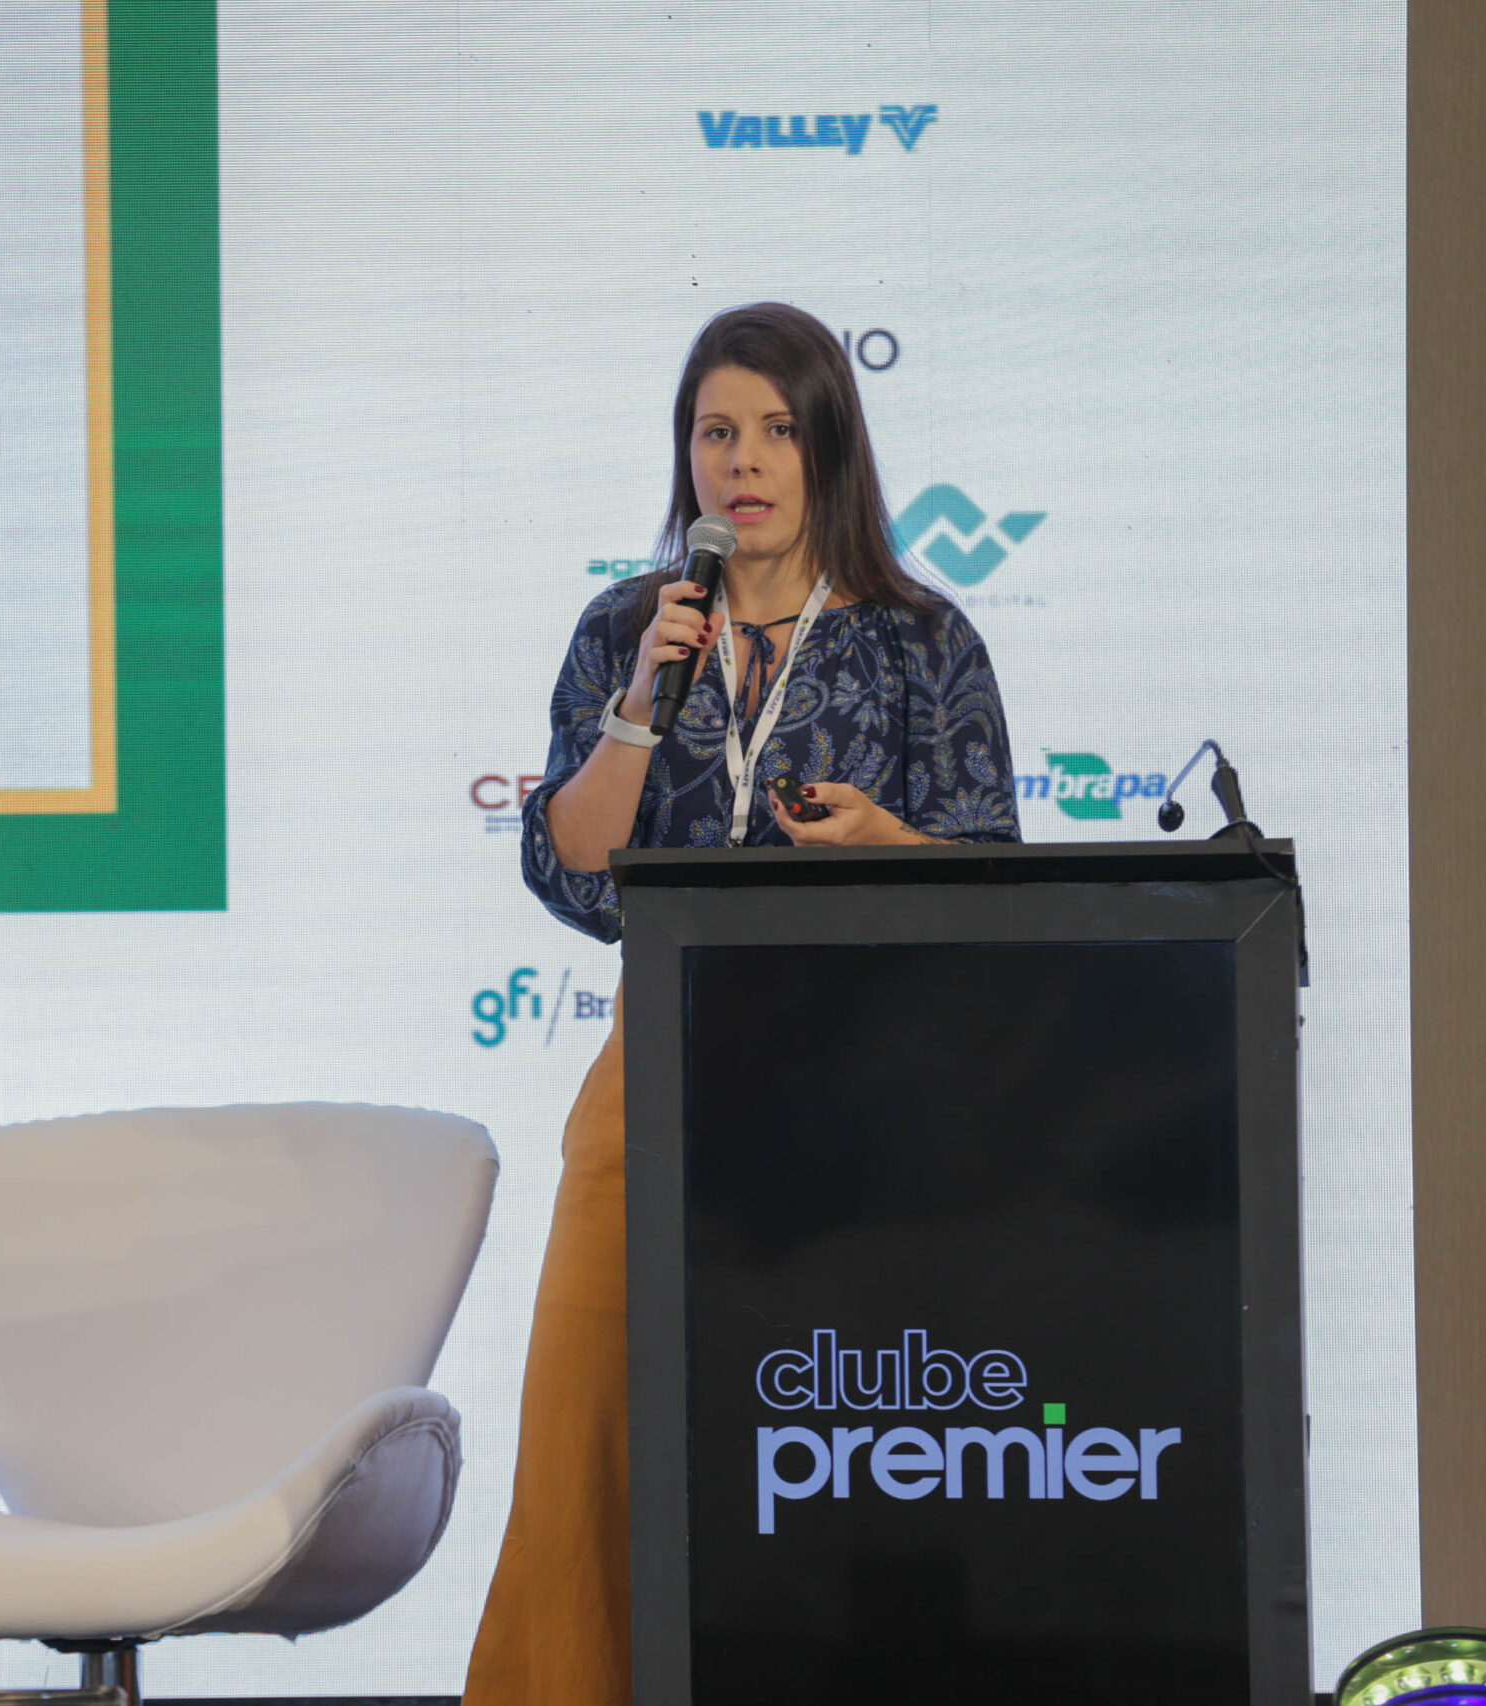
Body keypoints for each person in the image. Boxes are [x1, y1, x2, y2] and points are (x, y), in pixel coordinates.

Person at [462, 302, 1021, 1706]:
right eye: (717, 432)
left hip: (862, 1095)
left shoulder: (921, 640)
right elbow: (571, 866)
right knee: (587, 1441)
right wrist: (639, 703)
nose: (744, 461)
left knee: (844, 1451)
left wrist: (885, 845)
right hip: (658, 1070)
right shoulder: (626, 626)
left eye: (777, 429)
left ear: (829, 448)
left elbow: (996, 885)